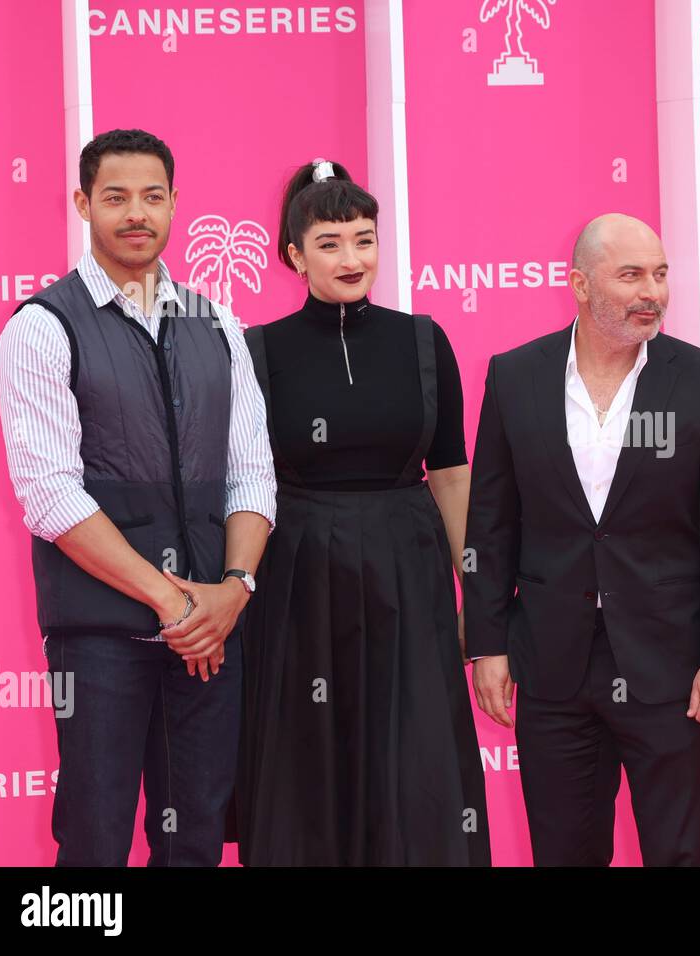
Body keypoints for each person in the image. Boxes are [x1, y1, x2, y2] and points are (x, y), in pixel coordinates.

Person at [0, 128, 276, 866]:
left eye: (153, 196)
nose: (136, 213)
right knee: (94, 834)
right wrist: (173, 602)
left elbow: (252, 472)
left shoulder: (218, 324)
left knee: (197, 837)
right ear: (84, 203)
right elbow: (51, 497)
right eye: (115, 197)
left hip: (210, 636)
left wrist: (233, 591)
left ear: (177, 204)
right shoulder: (40, 328)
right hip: (100, 637)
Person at [463, 213, 700, 866]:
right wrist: (486, 643)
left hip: (672, 666)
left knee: (680, 854)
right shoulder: (515, 378)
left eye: (659, 274)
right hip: (551, 662)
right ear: (578, 283)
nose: (651, 291)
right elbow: (490, 522)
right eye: (631, 275)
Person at [233, 159, 489, 866]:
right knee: (306, 747)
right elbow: (244, 483)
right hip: (298, 573)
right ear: (294, 254)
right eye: (330, 242)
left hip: (409, 567)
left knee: (417, 746)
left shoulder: (423, 341)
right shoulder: (257, 351)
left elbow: (452, 474)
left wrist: (478, 594)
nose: (352, 258)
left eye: (364, 239)